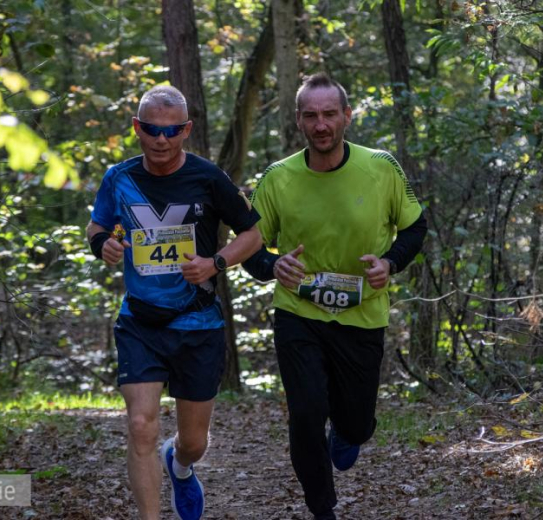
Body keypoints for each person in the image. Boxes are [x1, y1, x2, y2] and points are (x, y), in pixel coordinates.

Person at [242, 73, 427, 520]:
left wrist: (390, 263)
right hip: (299, 312)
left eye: (329, 114)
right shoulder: (278, 177)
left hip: (362, 315)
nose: (321, 125)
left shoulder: (380, 167)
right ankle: (322, 509)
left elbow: (415, 226)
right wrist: (270, 266)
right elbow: (248, 245)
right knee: (306, 414)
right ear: (298, 121)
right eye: (311, 116)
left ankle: (348, 432)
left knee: (357, 425)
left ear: (347, 116)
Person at [87, 85, 262, 520]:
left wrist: (215, 263)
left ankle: (180, 465)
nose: (161, 140)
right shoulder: (119, 177)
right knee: (140, 426)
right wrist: (104, 245)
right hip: (140, 322)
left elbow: (253, 234)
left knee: (194, 443)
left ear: (186, 129)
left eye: (171, 131)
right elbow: (98, 227)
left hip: (197, 322)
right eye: (151, 130)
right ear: (136, 128)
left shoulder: (208, 177)